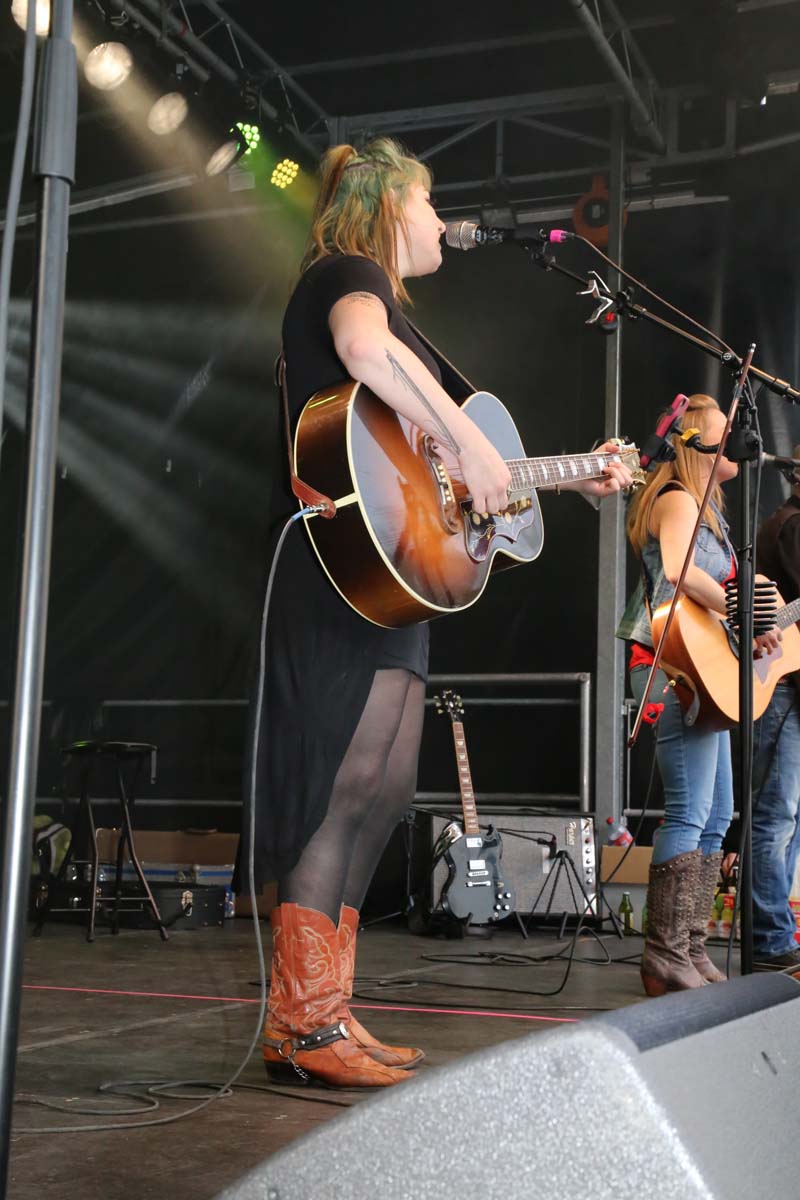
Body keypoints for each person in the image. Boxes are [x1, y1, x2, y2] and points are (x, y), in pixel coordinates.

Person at [243, 138, 633, 1089]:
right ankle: (299, 1024)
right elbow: (361, 350)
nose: (440, 221)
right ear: (387, 206)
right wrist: (464, 433)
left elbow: (457, 472)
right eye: (427, 203)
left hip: (397, 574)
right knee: (343, 784)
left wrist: (570, 475)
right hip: (341, 567)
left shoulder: (406, 326)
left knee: (382, 792)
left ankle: (327, 1008)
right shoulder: (348, 275)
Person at [618, 394, 778, 995]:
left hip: (702, 667)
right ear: (698, 447)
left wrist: (755, 617)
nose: (736, 440)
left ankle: (689, 945)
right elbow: (681, 572)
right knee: (690, 810)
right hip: (670, 666)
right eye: (724, 432)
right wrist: (742, 609)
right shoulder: (677, 497)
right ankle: (664, 955)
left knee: (716, 812)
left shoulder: (709, 511)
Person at [750, 461, 800, 974]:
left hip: (790, 685)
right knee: (777, 815)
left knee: (790, 816)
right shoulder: (790, 526)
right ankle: (768, 938)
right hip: (780, 686)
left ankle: (775, 933)